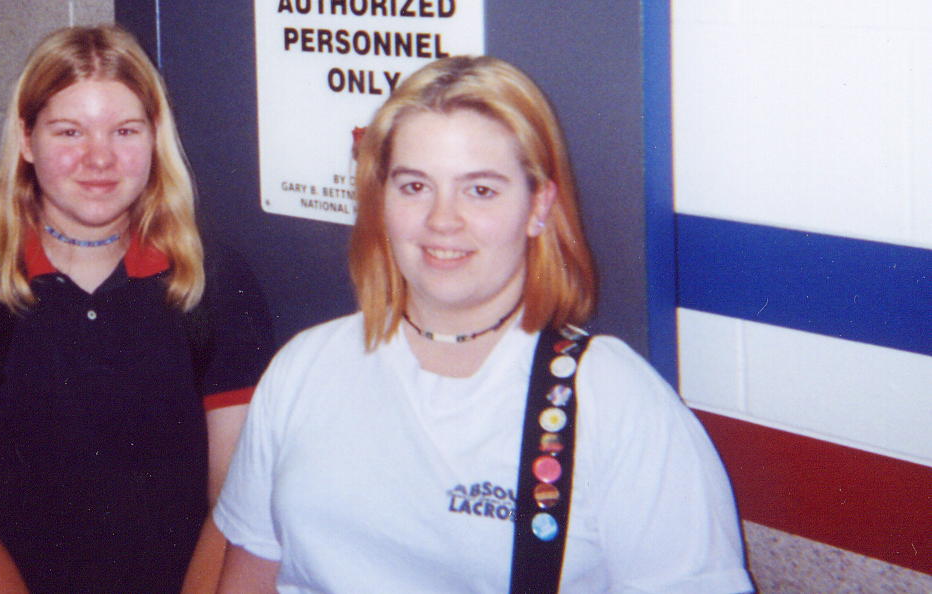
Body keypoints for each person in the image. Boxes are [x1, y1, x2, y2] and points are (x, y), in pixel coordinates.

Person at [213, 56, 752, 593]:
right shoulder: (306, 368)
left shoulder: (617, 403)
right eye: (414, 186)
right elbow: (249, 571)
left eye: (481, 190)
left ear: (538, 205)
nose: (442, 220)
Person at [0, 25, 273, 594]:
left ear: (155, 139)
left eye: (124, 131)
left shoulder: (217, 284)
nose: (99, 158)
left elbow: (238, 502)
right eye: (69, 131)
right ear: (27, 141)